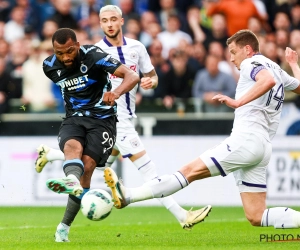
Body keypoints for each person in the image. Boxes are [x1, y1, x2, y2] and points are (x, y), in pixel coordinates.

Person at [35, 4, 211, 239]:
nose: (109, 24)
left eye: (113, 19)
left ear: (121, 20)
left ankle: (53, 156)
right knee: (149, 171)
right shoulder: (93, 51)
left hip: (125, 116)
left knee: (92, 165)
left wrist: (152, 83)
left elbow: (150, 76)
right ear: (100, 24)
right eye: (104, 20)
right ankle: (181, 215)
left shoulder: (137, 47)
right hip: (115, 120)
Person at [103, 30, 300, 231]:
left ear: (247, 50)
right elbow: (298, 86)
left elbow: (267, 81)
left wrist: (237, 101)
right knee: (256, 216)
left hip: (246, 139)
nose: (231, 58)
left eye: (233, 52)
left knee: (188, 172)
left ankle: (128, 196)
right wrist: (293, 64)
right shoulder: (277, 68)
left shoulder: (251, 63)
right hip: (263, 146)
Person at [41, 27, 140, 242]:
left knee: (86, 168)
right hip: (74, 118)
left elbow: (132, 76)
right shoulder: (49, 66)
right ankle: (71, 184)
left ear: (77, 45)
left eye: (69, 51)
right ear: (53, 50)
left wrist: (115, 92)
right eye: (60, 53)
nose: (65, 57)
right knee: (71, 148)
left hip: (102, 120)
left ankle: (64, 224)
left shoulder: (94, 56)